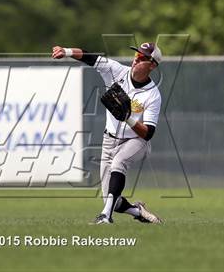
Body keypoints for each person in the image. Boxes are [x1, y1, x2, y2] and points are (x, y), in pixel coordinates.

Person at [52, 42, 163, 224]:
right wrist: (66, 52)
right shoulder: (117, 71)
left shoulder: (153, 95)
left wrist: (128, 118)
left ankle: (105, 216)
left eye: (142, 58)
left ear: (152, 65)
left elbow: (148, 133)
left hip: (136, 142)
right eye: (136, 55)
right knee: (113, 200)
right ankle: (137, 211)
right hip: (109, 140)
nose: (136, 59)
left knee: (119, 163)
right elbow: (90, 57)